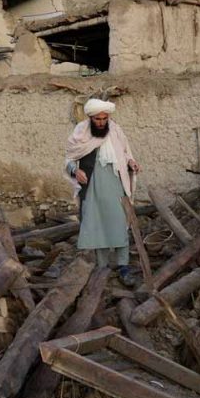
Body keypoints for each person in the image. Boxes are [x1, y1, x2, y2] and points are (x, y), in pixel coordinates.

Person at [65, 99, 140, 286]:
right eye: (97, 119)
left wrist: (131, 162)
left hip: (115, 183)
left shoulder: (115, 130)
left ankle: (123, 266)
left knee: (120, 223)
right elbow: (69, 160)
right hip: (93, 186)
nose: (101, 122)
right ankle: (102, 266)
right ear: (90, 117)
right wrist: (76, 171)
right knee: (98, 224)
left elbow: (125, 152)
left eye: (104, 118)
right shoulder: (81, 132)